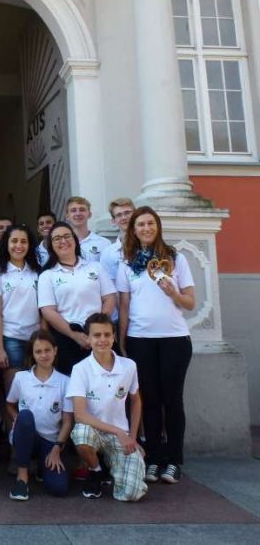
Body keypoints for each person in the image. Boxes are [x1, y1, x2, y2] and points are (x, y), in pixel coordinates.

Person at [117, 206, 195, 485]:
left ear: (157, 227)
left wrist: (173, 292)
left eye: (150, 223)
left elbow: (190, 302)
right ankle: (153, 458)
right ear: (133, 230)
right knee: (148, 400)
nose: (146, 229)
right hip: (140, 340)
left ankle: (173, 460)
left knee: (172, 401)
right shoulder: (127, 263)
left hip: (174, 339)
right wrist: (123, 340)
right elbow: (124, 305)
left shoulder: (175, 259)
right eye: (141, 225)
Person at [67, 313, 147, 502]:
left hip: (121, 435)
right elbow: (79, 415)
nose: (102, 340)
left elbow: (136, 401)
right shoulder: (80, 369)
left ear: (113, 337)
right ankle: (96, 471)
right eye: (96, 335)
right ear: (87, 338)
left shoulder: (129, 366)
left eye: (106, 334)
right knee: (80, 433)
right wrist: (118, 431)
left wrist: (133, 438)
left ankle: (118, 469)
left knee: (132, 494)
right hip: (93, 431)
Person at [38, 222, 116, 376]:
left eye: (67, 236)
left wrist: (98, 329)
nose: (63, 241)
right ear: (51, 245)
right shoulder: (47, 275)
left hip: (99, 336)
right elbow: (48, 311)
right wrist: (74, 335)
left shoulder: (95, 267)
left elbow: (109, 298)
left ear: (75, 240)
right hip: (67, 338)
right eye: (57, 238)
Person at [6, 329, 72, 501]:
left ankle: (43, 467)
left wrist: (57, 448)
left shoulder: (65, 382)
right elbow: (9, 404)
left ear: (55, 351)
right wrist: (17, 420)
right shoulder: (21, 378)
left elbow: (67, 421)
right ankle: (22, 479)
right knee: (26, 416)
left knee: (59, 488)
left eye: (47, 350)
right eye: (38, 351)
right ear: (33, 354)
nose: (43, 355)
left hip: (51, 441)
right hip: (26, 436)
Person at [0, 224, 42, 390]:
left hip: (35, 338)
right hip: (11, 338)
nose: (19, 245)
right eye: (14, 241)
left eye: (24, 241)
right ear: (6, 244)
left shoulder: (37, 271)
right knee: (13, 393)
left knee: (35, 389)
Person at [100, 198, 135, 333]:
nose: (124, 217)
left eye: (127, 213)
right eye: (119, 215)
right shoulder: (108, 253)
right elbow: (109, 289)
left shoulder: (148, 248)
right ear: (113, 221)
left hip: (146, 316)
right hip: (119, 317)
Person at [64, 197, 111, 263]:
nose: (78, 213)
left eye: (82, 210)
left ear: (89, 214)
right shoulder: (62, 243)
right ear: (67, 216)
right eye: (73, 210)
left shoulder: (104, 243)